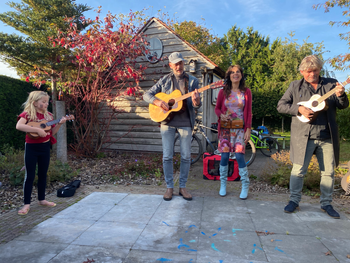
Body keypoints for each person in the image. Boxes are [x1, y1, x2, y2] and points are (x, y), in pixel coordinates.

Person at [277, 55, 349, 219]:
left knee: (328, 172)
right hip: (303, 136)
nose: (312, 74)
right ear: (302, 71)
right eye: (308, 71)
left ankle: (327, 204)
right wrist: (299, 109)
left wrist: (341, 95)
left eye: (315, 70)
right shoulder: (295, 86)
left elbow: (343, 105)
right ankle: (294, 201)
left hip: (327, 136)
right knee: (298, 171)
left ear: (319, 69)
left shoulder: (331, 84)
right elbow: (281, 105)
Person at [143, 52, 201, 201]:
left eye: (180, 63)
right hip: (167, 122)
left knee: (186, 156)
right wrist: (157, 102)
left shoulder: (193, 81)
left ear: (183, 63)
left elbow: (197, 106)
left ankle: (182, 187)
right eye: (175, 63)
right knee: (167, 156)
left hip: (185, 122)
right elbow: (146, 95)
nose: (178, 66)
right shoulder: (164, 81)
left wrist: (196, 102)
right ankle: (169, 187)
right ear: (170, 65)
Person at [16, 91, 67, 215]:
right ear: (34, 103)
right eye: (43, 102)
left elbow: (51, 132)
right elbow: (19, 126)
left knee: (43, 174)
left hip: (45, 147)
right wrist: (36, 130)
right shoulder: (28, 114)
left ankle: (42, 199)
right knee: (30, 175)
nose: (46, 104)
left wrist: (59, 124)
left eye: (46, 102)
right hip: (31, 148)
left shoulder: (49, 116)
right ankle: (26, 204)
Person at [214, 65, 252, 199]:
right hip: (225, 129)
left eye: (238, 72)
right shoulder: (223, 92)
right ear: (229, 76)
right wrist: (221, 115)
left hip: (240, 129)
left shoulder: (246, 92)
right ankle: (223, 184)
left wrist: (248, 129)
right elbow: (217, 109)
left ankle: (245, 185)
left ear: (241, 75)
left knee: (240, 156)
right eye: (232, 72)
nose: (235, 74)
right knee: (224, 156)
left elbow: (248, 112)